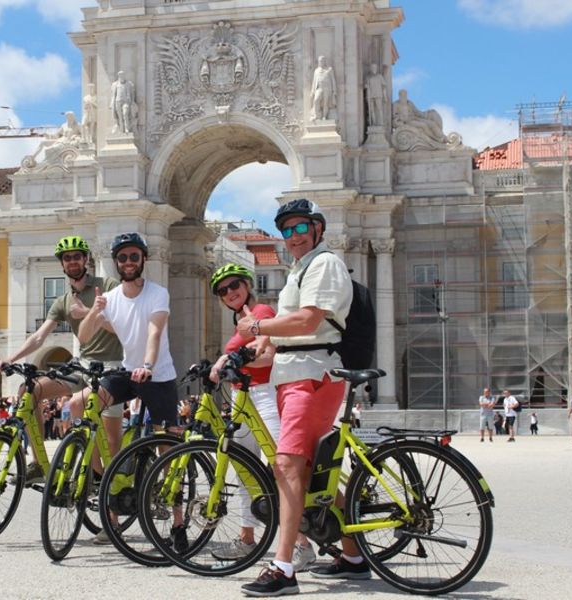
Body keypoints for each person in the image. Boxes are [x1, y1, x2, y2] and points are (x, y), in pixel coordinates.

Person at [235, 199, 358, 596]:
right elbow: (286, 333)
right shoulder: (299, 269)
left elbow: (307, 321)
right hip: (294, 373)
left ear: (317, 228)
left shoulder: (323, 264)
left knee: (286, 465)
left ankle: (284, 566)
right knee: (309, 472)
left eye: (301, 227)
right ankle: (354, 556)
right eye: (286, 231)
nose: (294, 236)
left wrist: (257, 326)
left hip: (313, 373)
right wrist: (251, 348)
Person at [0, 235, 124, 487]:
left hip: (112, 367)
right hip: (82, 366)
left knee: (112, 445)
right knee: (27, 390)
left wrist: (88, 313)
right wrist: (9, 359)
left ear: (86, 259)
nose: (72, 261)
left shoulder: (106, 285)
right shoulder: (63, 302)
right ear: (62, 265)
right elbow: (39, 337)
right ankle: (39, 464)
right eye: (67, 258)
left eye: (77, 256)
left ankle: (104, 484)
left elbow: (121, 327)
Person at [79, 231, 180, 544]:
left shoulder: (157, 293)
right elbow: (84, 336)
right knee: (81, 405)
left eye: (134, 256)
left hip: (158, 374)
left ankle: (177, 523)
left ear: (143, 260)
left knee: (169, 449)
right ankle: (106, 492)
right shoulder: (109, 299)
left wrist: (147, 366)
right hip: (126, 372)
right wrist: (94, 311)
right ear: (116, 262)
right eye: (122, 257)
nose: (128, 262)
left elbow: (153, 332)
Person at [205, 264, 301, 565]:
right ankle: (247, 538)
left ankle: (302, 542)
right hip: (240, 395)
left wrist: (236, 362)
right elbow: (237, 354)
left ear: (247, 285)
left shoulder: (260, 311)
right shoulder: (239, 322)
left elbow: (268, 356)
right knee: (245, 469)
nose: (230, 292)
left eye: (235, 285)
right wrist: (221, 363)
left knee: (281, 467)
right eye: (223, 290)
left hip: (265, 394)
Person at [311, 55, 336, 121]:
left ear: (325, 62)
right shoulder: (316, 71)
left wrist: (334, 91)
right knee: (316, 100)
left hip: (327, 88)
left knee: (326, 103)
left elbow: (333, 81)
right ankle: (317, 115)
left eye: (322, 61)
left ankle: (324, 116)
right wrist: (312, 91)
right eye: (320, 61)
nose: (321, 62)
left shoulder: (329, 69)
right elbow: (314, 81)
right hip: (319, 88)